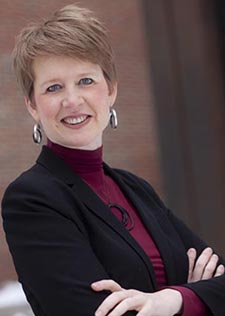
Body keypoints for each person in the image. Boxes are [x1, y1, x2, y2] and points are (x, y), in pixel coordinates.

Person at [1, 4, 225, 316]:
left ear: (111, 90)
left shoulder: (137, 189)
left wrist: (168, 300)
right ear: (32, 106)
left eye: (86, 81)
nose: (72, 100)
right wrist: (194, 294)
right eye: (53, 87)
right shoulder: (32, 199)